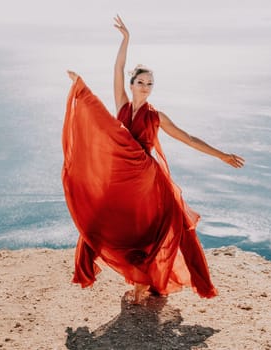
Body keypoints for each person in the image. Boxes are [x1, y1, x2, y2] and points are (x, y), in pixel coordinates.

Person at [62, 15, 245, 304]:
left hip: (147, 182)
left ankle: (142, 282)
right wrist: (126, 40)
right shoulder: (122, 106)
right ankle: (126, 276)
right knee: (101, 222)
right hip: (121, 180)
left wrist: (221, 155)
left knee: (147, 233)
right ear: (132, 84)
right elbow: (117, 68)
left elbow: (188, 138)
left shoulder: (157, 116)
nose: (146, 87)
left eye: (150, 83)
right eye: (141, 82)